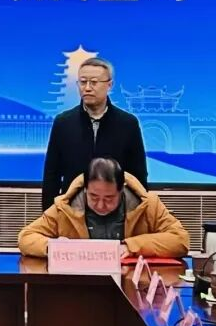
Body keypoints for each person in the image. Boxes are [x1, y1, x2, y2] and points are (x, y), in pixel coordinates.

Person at [19, 157, 188, 258]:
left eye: (109, 198)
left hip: (131, 287)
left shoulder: (147, 205)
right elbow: (25, 237)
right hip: (81, 287)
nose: (100, 205)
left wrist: (131, 247)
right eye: (93, 197)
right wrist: (54, 246)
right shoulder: (65, 207)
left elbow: (180, 240)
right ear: (85, 189)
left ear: (121, 190)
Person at [41, 57, 147, 209]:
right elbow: (52, 174)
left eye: (94, 82)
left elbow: (138, 175)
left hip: (115, 210)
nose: (87, 88)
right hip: (72, 210)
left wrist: (138, 212)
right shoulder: (63, 122)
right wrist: (49, 214)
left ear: (109, 85)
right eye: (83, 82)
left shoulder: (128, 124)